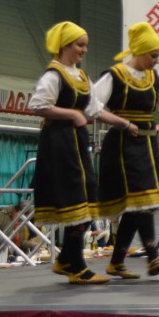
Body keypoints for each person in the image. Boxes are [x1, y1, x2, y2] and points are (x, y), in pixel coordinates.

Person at [87, 22, 159, 279]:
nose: (156, 61)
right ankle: (153, 256)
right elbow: (90, 106)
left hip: (146, 145)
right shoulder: (115, 75)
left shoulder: (154, 79)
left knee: (139, 204)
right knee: (142, 200)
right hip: (121, 146)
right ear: (140, 52)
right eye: (153, 56)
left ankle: (116, 262)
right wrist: (121, 122)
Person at [28, 22, 108, 284]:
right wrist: (72, 114)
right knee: (75, 196)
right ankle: (77, 266)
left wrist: (126, 123)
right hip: (59, 143)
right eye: (80, 45)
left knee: (88, 193)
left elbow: (95, 110)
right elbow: (38, 106)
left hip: (77, 142)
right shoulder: (54, 75)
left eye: (85, 45)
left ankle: (65, 260)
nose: (84, 50)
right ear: (64, 45)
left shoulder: (82, 77)